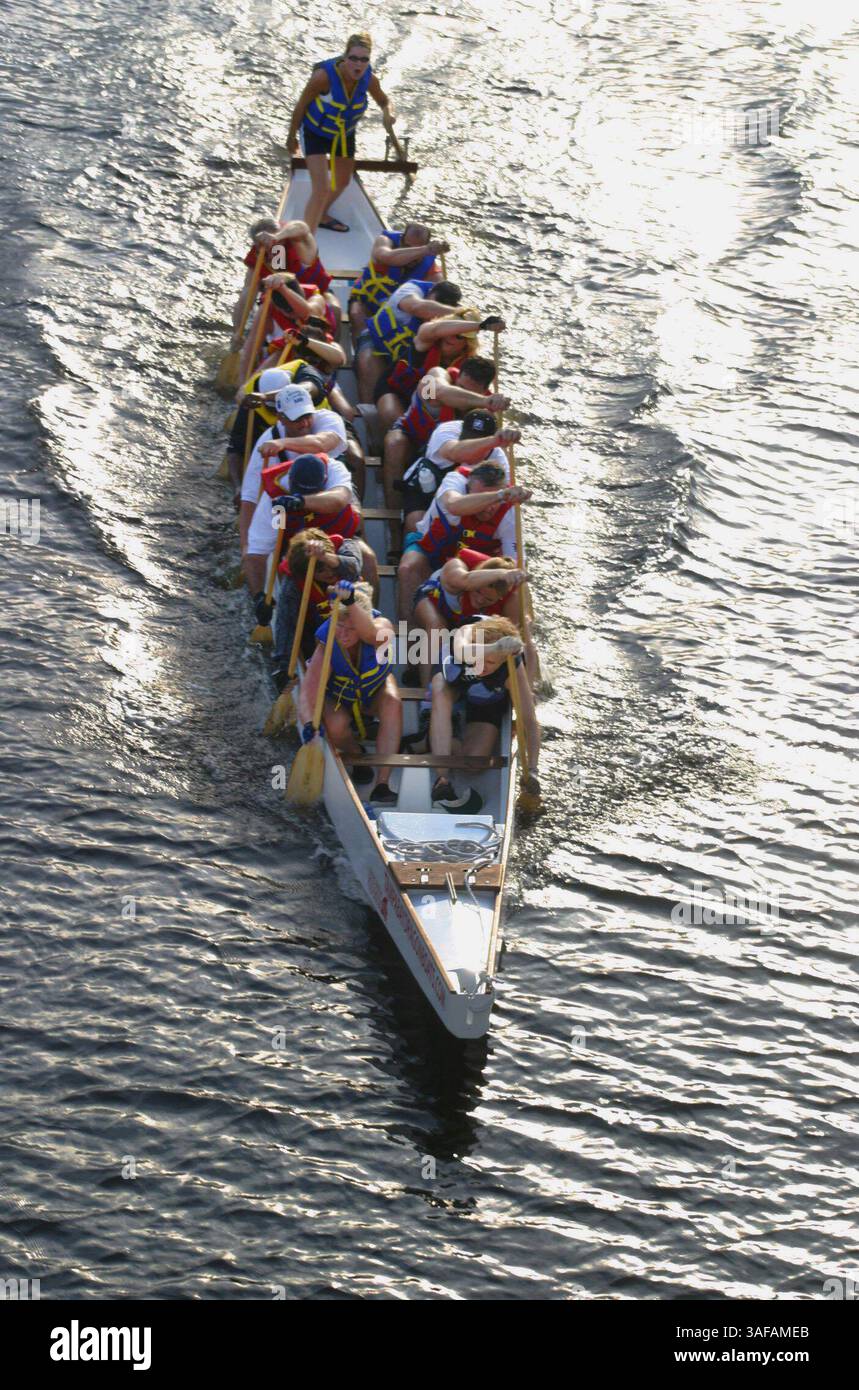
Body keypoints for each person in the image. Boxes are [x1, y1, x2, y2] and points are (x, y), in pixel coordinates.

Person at [396, 410, 521, 621]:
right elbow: (454, 506)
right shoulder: (454, 481)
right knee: (408, 567)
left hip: (477, 563)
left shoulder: (508, 510)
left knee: (516, 593)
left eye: (495, 501)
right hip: (431, 549)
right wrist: (498, 496)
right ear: (469, 488)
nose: (490, 507)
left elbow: (513, 564)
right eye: (483, 498)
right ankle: (408, 635)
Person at [382, 357, 508, 548]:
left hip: (452, 463)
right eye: (461, 387)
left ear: (484, 389)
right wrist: (483, 400)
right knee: (394, 443)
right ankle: (394, 522)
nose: (463, 395)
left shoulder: (486, 417)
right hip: (414, 438)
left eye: (470, 392)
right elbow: (437, 392)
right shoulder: (435, 376)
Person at [297, 580, 403, 805]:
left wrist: (351, 603)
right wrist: (308, 724)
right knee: (335, 726)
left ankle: (382, 785)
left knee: (393, 702)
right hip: (340, 697)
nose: (343, 635)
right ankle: (357, 754)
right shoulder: (327, 644)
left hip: (374, 690)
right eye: (340, 627)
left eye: (351, 628)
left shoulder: (382, 627)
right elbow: (309, 691)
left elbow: (371, 634)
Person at [428, 618, 540, 813]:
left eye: (490, 663)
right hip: (455, 677)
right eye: (481, 658)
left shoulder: (511, 666)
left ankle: (443, 739)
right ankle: (442, 778)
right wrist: (493, 649)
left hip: (484, 695)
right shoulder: (466, 633)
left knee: (474, 764)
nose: (483, 665)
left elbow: (529, 722)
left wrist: (532, 771)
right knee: (440, 691)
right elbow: (463, 652)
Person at [287, 34, 395, 234]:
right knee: (322, 188)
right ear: (345, 58)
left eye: (364, 60)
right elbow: (301, 105)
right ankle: (305, 240)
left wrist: (388, 113)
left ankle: (321, 214)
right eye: (354, 58)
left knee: (343, 181)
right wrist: (291, 136)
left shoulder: (369, 79)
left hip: (344, 135)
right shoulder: (323, 78)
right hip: (315, 132)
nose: (358, 64)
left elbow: (384, 101)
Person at [373, 311, 505, 435]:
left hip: (432, 402)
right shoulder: (425, 341)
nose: (451, 337)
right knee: (392, 417)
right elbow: (433, 329)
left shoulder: (469, 367)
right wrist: (481, 326)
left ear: (467, 343)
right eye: (450, 331)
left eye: (459, 336)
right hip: (398, 391)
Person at [272, 530, 364, 687]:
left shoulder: (347, 546)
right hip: (316, 635)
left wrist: (325, 557)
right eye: (320, 570)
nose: (329, 572)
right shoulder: (293, 584)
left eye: (328, 565)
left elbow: (354, 568)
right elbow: (286, 624)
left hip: (354, 627)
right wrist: (283, 665)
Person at [355, 279, 462, 403]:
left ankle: (424, 408)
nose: (432, 315)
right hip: (376, 341)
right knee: (368, 360)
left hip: (409, 354)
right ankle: (369, 409)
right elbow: (418, 307)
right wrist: (458, 313)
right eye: (435, 303)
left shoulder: (448, 320)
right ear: (430, 292)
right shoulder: (411, 289)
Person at [348, 224, 447, 337]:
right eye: (408, 246)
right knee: (356, 313)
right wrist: (425, 249)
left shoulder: (432, 270)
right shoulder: (384, 242)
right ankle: (361, 345)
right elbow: (386, 256)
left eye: (418, 248)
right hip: (367, 302)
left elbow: (437, 301)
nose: (413, 254)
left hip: (396, 314)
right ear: (401, 240)